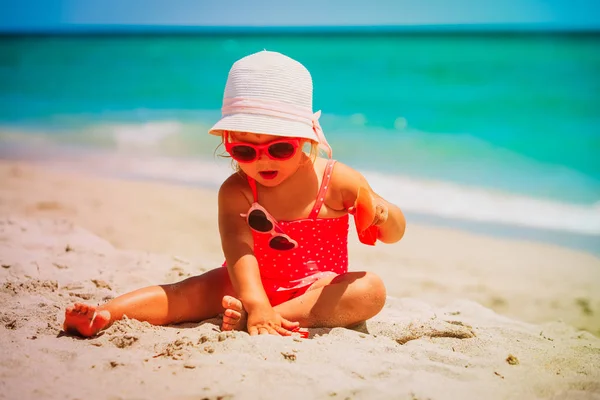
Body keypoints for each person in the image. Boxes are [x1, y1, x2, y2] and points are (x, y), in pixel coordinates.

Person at [63, 50, 406, 337]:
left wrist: (381, 213)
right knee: (185, 293)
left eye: (280, 148)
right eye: (244, 152)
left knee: (369, 290)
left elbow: (393, 233)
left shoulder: (336, 180)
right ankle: (103, 315)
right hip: (243, 283)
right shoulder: (238, 190)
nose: (262, 160)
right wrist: (254, 300)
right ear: (228, 145)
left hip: (315, 290)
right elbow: (239, 249)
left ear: (308, 140)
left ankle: (270, 317)